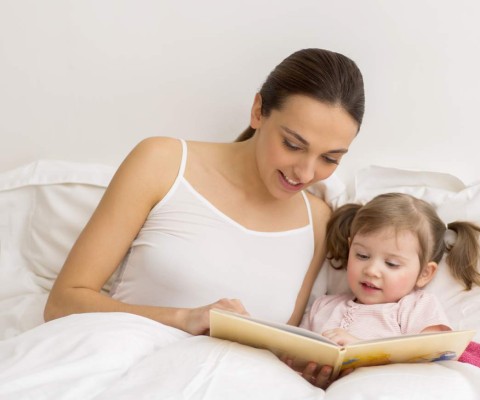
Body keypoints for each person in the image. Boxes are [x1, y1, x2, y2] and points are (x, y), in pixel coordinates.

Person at [43, 48, 364, 387]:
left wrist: (309, 364)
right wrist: (184, 318)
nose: (306, 172)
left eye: (330, 159)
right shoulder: (162, 162)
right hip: (127, 373)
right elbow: (63, 303)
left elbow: (279, 347)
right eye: (293, 145)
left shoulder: (317, 220)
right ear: (258, 111)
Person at [300, 192, 480, 346]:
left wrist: (360, 348)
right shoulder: (322, 307)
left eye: (391, 264)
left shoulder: (415, 307)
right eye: (362, 256)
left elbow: (435, 352)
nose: (371, 270)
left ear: (424, 274)